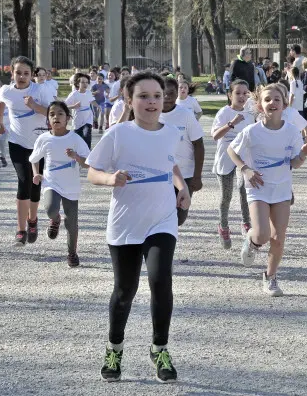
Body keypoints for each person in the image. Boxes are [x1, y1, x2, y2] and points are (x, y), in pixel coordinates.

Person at [87, 71, 190, 383]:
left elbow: (169, 162)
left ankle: (160, 349)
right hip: (126, 222)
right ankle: (114, 348)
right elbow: (93, 171)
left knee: (161, 281)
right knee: (124, 291)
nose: (151, 101)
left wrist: (181, 185)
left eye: (157, 96)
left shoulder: (172, 132)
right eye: (143, 96)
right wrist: (110, 178)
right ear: (129, 100)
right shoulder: (118, 135)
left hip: (162, 219)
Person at [228, 83, 307, 296]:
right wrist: (245, 169)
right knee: (263, 234)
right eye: (267, 99)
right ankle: (252, 239)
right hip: (258, 187)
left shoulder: (292, 131)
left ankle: (270, 276)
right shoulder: (252, 131)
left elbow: (294, 164)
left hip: (282, 189)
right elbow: (232, 150)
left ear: (285, 104)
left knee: (278, 237)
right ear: (259, 105)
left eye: (277, 99)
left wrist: (303, 154)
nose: (272, 103)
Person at [0, 56, 53, 246]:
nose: (22, 76)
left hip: (40, 144)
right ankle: (20, 230)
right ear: (12, 73)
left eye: (26, 73)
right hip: (17, 143)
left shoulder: (40, 90)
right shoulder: (6, 90)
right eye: (18, 72)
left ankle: (33, 220)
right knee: (24, 180)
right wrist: (0, 121)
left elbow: (53, 113)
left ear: (32, 75)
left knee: (36, 184)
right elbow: (0, 102)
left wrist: (35, 106)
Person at [30, 101, 91, 267]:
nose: (55, 117)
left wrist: (76, 157)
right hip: (51, 182)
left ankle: (72, 253)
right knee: (50, 209)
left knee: (71, 223)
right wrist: (36, 174)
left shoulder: (75, 139)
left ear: (68, 118)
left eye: (60, 114)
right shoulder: (44, 139)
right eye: (52, 114)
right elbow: (34, 159)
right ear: (48, 120)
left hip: (70, 185)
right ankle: (55, 219)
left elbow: (88, 163)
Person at [211, 79, 254, 249]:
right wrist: (231, 124)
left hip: (243, 158)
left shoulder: (251, 114)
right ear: (230, 95)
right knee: (226, 196)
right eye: (238, 93)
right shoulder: (224, 112)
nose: (242, 96)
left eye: (245, 93)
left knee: (245, 190)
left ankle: (246, 223)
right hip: (225, 157)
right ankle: (223, 226)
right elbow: (215, 136)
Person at [159, 77, 204, 226]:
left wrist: (197, 176)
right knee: (162, 215)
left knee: (179, 218)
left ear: (176, 94)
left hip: (185, 174)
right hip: (160, 175)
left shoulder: (185, 114)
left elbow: (198, 145)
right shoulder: (151, 114)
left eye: (171, 93)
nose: (166, 97)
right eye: (162, 93)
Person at [65, 73, 95, 150]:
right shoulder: (74, 94)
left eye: (86, 82)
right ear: (78, 84)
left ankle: (87, 152)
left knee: (86, 133)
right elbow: (64, 106)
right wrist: (74, 106)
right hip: (77, 120)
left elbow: (92, 101)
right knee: (78, 138)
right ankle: (78, 154)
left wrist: (98, 106)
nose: (85, 84)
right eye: (82, 82)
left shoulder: (88, 92)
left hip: (88, 118)